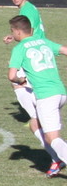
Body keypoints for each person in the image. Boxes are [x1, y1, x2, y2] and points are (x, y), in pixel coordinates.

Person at [8, 15, 67, 175]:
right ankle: (57, 160)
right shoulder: (44, 42)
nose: (12, 34)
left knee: (53, 139)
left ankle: (60, 159)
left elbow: (12, 76)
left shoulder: (19, 49)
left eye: (12, 31)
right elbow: (64, 50)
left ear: (18, 31)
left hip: (46, 96)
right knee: (36, 124)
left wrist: (21, 80)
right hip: (61, 92)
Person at [5, 0, 46, 145]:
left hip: (32, 51)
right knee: (23, 82)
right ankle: (37, 115)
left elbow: (29, 32)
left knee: (15, 80)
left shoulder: (27, 10)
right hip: (37, 49)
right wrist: (12, 35)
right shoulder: (29, 8)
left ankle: (36, 116)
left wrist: (23, 48)